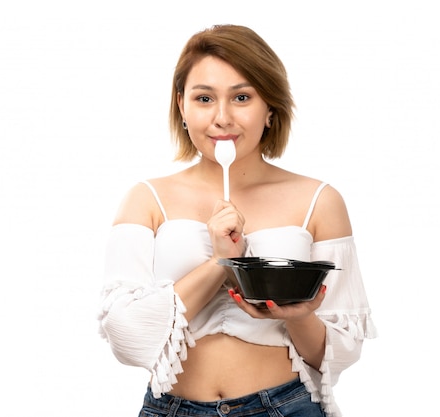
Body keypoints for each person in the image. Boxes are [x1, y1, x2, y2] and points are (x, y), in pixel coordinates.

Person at [98, 24, 376, 417]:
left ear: (270, 109)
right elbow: (126, 338)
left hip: (286, 406)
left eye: (242, 97)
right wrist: (219, 262)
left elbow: (339, 353)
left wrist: (298, 317)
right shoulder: (147, 199)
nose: (222, 117)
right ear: (182, 106)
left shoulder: (320, 201)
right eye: (204, 98)